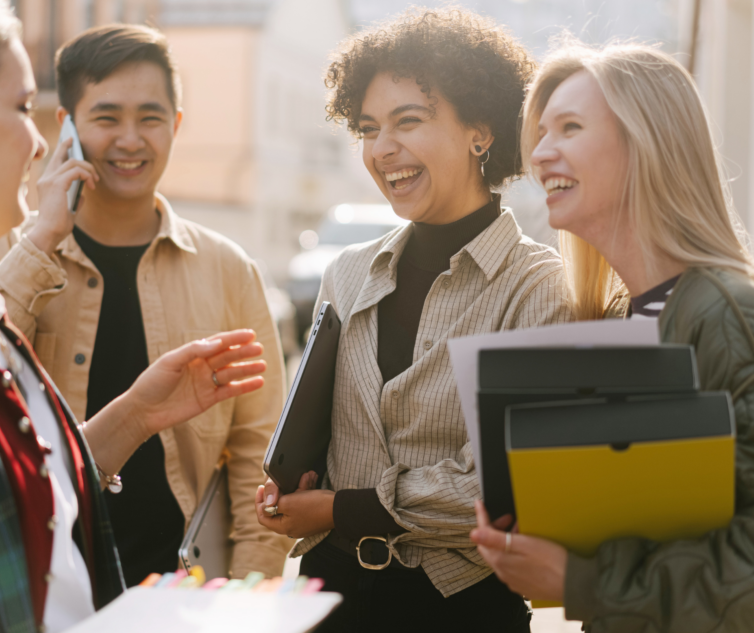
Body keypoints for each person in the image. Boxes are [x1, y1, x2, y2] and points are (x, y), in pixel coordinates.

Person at [0, 2, 267, 631]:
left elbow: (27, 485)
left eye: (150, 118)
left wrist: (137, 414)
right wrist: (42, 238)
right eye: (24, 108)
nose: (40, 144)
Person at [471, 37, 754, 632]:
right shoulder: (630, 323)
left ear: (645, 145)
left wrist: (582, 582)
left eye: (568, 128)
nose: (540, 153)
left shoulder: (738, 322)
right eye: (540, 134)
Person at [253, 9, 572, 632]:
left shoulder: (539, 286)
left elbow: (502, 491)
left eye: (409, 121)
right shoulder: (345, 273)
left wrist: (337, 509)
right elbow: (321, 429)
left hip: (461, 610)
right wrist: (292, 484)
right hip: (330, 598)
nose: (382, 149)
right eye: (369, 128)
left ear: (481, 131)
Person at [0, 24, 291, 585]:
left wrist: (252, 593)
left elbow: (260, 457)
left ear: (176, 124)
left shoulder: (227, 269)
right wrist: (44, 237)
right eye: (106, 117)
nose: (130, 139)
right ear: (66, 127)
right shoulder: (5, 249)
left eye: (149, 117)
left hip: (180, 590)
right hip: (40, 580)